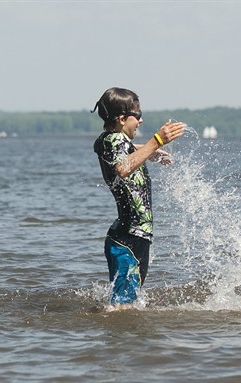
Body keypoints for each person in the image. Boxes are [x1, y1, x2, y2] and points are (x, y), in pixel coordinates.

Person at [91, 87, 185, 307]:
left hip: (128, 237)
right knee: (122, 307)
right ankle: (113, 337)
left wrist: (147, 152)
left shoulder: (110, 139)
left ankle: (118, 337)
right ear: (122, 119)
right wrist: (156, 142)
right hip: (129, 240)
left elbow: (121, 151)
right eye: (138, 115)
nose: (141, 121)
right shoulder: (114, 140)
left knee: (124, 303)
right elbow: (123, 168)